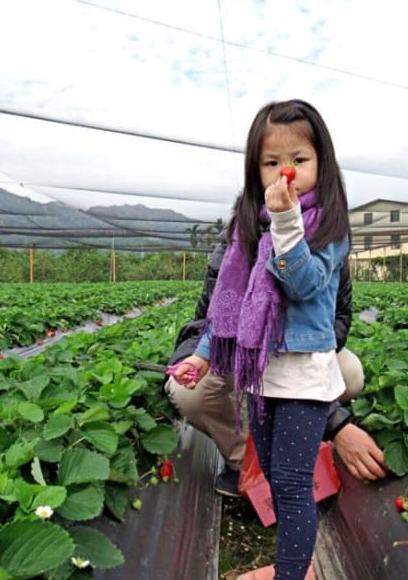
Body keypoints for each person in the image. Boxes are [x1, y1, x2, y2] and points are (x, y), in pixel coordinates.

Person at [168, 99, 377, 580]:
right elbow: (226, 313)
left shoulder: (327, 228)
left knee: (290, 481)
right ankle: (290, 565)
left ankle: (292, 574)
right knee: (277, 477)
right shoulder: (246, 229)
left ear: (321, 164)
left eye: (299, 160)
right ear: (253, 170)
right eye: (270, 163)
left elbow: (301, 285)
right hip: (261, 378)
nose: (285, 172)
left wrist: (286, 225)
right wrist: (201, 358)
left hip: (302, 376)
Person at [166, 234, 386, 490]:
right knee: (188, 391)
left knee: (351, 373)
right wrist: (337, 424)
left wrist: (330, 416)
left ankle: (304, 433)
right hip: (240, 350)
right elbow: (211, 319)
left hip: (308, 345)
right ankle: (248, 463)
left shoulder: (328, 239)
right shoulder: (237, 245)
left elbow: (340, 317)